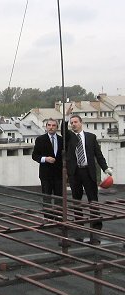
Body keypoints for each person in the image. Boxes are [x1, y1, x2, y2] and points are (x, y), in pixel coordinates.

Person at [62, 103, 113, 244]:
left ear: (81, 123)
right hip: (75, 172)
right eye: (71, 123)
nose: (73, 124)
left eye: (75, 122)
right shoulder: (69, 137)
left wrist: (105, 168)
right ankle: (79, 223)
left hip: (88, 171)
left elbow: (98, 154)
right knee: (77, 199)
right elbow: (63, 129)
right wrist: (66, 116)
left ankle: (96, 223)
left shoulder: (91, 137)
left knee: (92, 198)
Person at [32, 118, 63, 219]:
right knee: (47, 197)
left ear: (57, 127)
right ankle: (48, 218)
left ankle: (59, 217)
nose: (51, 127)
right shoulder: (40, 139)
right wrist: (45, 159)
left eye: (53, 125)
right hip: (45, 174)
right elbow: (34, 156)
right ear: (46, 127)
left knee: (59, 198)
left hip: (58, 174)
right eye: (49, 125)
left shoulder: (61, 140)